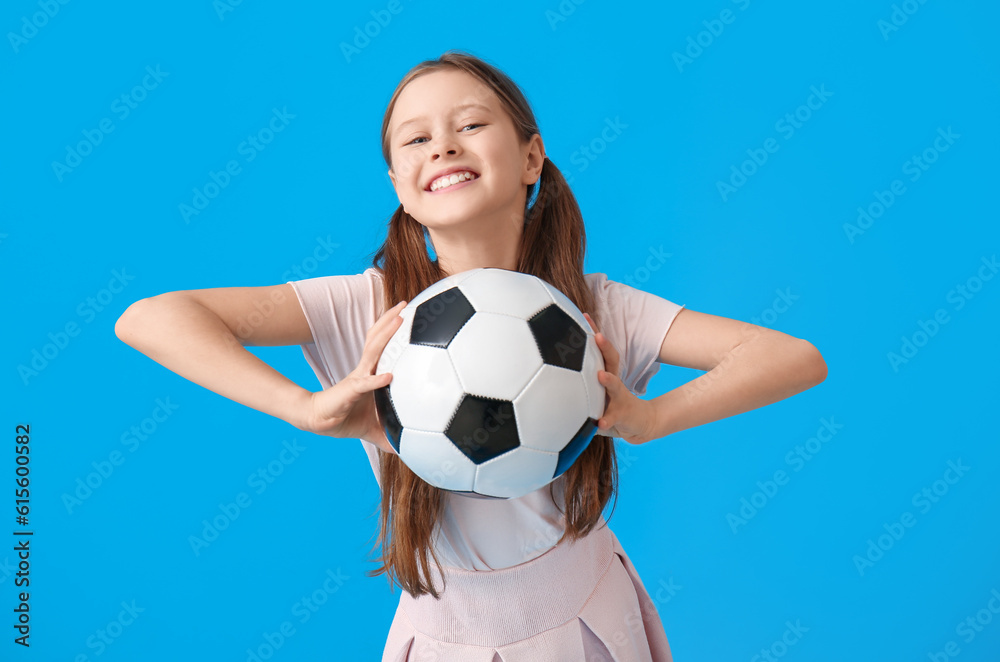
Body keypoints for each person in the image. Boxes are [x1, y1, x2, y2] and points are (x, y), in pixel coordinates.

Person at [115, 50, 827, 661]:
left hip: (587, 623)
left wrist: (649, 418)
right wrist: (303, 407)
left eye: (471, 125)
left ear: (530, 158)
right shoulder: (368, 307)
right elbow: (150, 317)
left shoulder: (593, 310)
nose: (443, 148)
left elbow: (793, 357)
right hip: (445, 636)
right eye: (415, 140)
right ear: (398, 186)